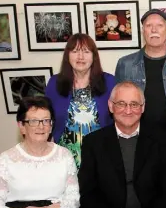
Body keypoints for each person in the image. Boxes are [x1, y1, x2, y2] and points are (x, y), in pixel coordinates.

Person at [115, 8, 166, 164]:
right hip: (138, 143)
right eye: (148, 26)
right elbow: (117, 105)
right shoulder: (125, 64)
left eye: (160, 25)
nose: (154, 29)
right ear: (143, 31)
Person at [46, 33, 116, 168]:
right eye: (75, 51)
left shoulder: (109, 82)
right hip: (63, 158)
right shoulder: (54, 83)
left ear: (94, 56)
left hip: (101, 156)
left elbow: (118, 118)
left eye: (86, 51)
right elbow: (47, 118)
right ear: (68, 55)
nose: (80, 57)